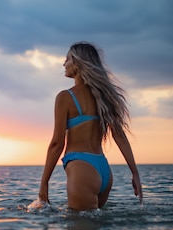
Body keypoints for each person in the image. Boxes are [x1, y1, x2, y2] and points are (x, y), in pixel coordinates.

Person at [38, 41, 142, 210]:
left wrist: (44, 183)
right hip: (104, 171)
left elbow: (57, 144)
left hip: (81, 168)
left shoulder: (65, 97)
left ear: (78, 64)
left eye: (67, 59)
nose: (64, 64)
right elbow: (120, 136)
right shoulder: (105, 97)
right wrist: (135, 173)